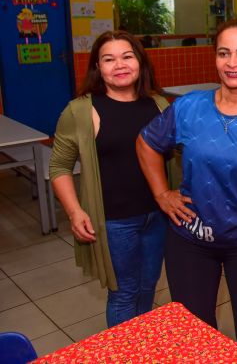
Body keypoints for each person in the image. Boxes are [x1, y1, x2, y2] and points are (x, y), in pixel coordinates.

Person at [136, 18, 237, 360]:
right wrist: (161, 193)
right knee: (194, 336)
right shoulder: (188, 107)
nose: (232, 63)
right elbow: (146, 143)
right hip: (189, 242)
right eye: (224, 53)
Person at [50, 30, 169, 327]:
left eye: (127, 56)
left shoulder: (159, 104)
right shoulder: (80, 111)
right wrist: (75, 211)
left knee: (148, 286)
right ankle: (122, 353)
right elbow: (59, 167)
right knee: (124, 293)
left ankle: (140, 348)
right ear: (97, 68)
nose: (119, 65)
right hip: (114, 222)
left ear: (140, 62)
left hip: (157, 216)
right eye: (109, 59)